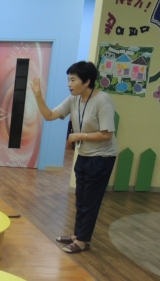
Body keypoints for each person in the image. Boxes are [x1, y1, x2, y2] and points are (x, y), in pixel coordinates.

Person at [30, 61, 118, 254]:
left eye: (73, 80)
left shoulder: (103, 100)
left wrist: (79, 136)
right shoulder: (74, 99)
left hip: (102, 158)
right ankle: (78, 235)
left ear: (87, 82)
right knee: (80, 199)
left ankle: (83, 240)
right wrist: (38, 96)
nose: (69, 84)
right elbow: (49, 115)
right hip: (85, 155)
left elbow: (107, 134)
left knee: (90, 201)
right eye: (68, 80)